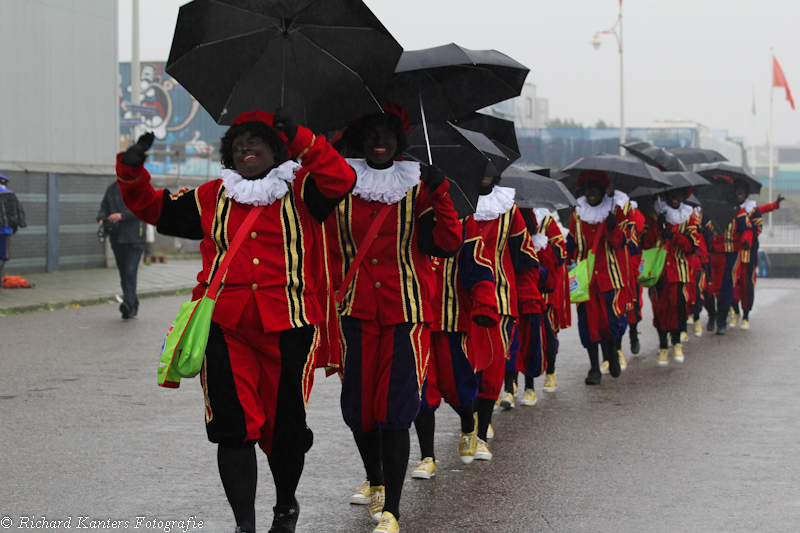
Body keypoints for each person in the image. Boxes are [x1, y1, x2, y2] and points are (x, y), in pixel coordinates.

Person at [116, 109, 356, 533]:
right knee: (232, 427)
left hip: (290, 326)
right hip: (225, 329)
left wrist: (300, 135)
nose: (246, 147)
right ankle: (244, 523)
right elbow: (155, 209)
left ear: (277, 148)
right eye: (239, 143)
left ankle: (285, 508)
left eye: (257, 140)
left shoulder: (303, 190)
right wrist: (133, 169)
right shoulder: (212, 195)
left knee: (285, 430)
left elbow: (341, 178)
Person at [325, 103, 463, 533]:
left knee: (395, 408)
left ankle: (393, 510)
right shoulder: (341, 188)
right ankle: (376, 479)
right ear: (360, 140)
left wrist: (441, 194)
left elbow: (447, 242)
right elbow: (325, 248)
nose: (379, 141)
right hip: (355, 313)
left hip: (406, 313)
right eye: (371, 134)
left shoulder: (417, 187)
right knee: (358, 410)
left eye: (387, 134)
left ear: (399, 142)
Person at [411, 213, 498, 478]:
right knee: (422, 389)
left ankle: (468, 425)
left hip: (452, 319)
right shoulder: (410, 214)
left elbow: (479, 268)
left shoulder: (464, 222)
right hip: (417, 318)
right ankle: (427, 456)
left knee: (457, 385)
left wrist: (484, 303)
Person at [471, 175, 542, 454]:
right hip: (461, 299)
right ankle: (470, 421)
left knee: (492, 366)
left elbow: (525, 258)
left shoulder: (508, 209)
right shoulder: (454, 201)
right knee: (464, 367)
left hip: (500, 299)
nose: (486, 171)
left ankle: (481, 432)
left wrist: (528, 297)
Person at [566, 171, 630, 385]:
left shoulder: (616, 212)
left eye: (595, 188)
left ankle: (611, 352)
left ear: (604, 190)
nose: (591, 192)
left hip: (609, 277)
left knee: (611, 321)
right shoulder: (577, 213)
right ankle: (593, 367)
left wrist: (613, 227)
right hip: (585, 280)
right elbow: (572, 241)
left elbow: (621, 244)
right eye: (587, 188)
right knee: (588, 324)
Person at [642, 189, 699, 365]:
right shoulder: (654, 214)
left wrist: (674, 237)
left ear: (684, 197)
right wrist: (656, 227)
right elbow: (644, 242)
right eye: (672, 194)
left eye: (679, 195)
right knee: (659, 307)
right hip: (658, 270)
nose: (675, 198)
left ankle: (676, 343)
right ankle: (663, 346)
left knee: (678, 306)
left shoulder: (689, 216)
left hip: (679, 269)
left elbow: (693, 245)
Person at [705, 178, 753, 336]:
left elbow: (746, 228)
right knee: (707, 287)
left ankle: (721, 321)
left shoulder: (737, 210)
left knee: (726, 288)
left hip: (730, 253)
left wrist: (746, 240)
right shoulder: (710, 209)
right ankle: (712, 315)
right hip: (711, 253)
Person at [97, 179, 146, 318]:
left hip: (135, 238)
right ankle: (132, 304)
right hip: (117, 237)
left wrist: (122, 215)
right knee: (124, 273)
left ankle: (128, 305)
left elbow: (142, 208)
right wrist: (101, 218)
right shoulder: (112, 188)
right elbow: (104, 207)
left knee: (130, 271)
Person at [0, 174, 26, 283]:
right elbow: (18, 212)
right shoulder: (10, 195)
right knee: (2, 255)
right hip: (4, 231)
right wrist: (17, 225)